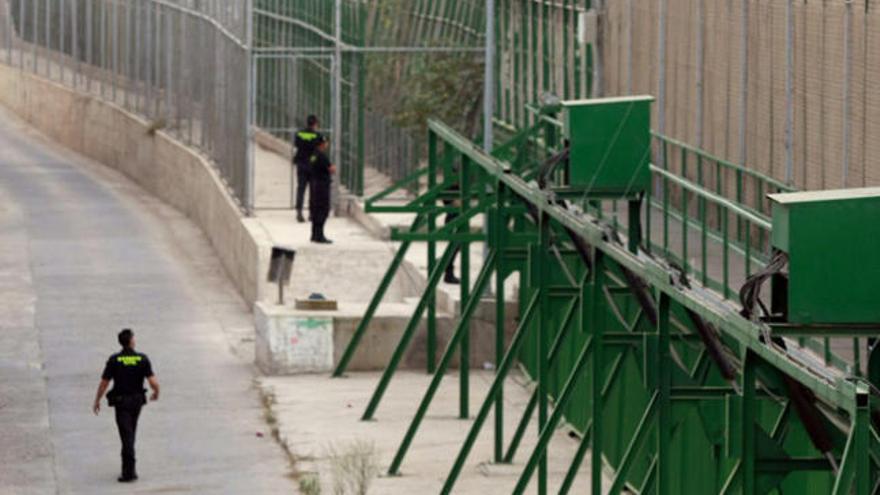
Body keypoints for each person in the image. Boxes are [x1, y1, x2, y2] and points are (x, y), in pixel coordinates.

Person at [92, 329, 160, 483]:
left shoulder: (114, 360)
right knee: (130, 432)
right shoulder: (142, 359)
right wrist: (156, 392)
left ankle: (129, 471)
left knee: (126, 435)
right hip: (137, 402)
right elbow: (153, 382)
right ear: (131, 341)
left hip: (121, 402)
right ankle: (129, 468)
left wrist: (97, 399)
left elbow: (104, 383)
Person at [292, 115, 324, 223]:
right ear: (315, 124)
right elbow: (321, 147)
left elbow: (296, 144)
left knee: (301, 188)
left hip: (301, 163)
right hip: (313, 164)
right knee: (313, 190)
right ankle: (311, 213)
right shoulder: (317, 135)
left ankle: (299, 212)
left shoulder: (300, 134)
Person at [308, 137, 336, 244]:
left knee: (316, 209)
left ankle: (314, 234)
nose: (326, 144)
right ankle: (320, 235)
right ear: (321, 144)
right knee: (323, 210)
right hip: (322, 185)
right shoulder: (322, 156)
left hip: (314, 184)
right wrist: (333, 168)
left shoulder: (313, 155)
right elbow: (331, 169)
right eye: (325, 143)